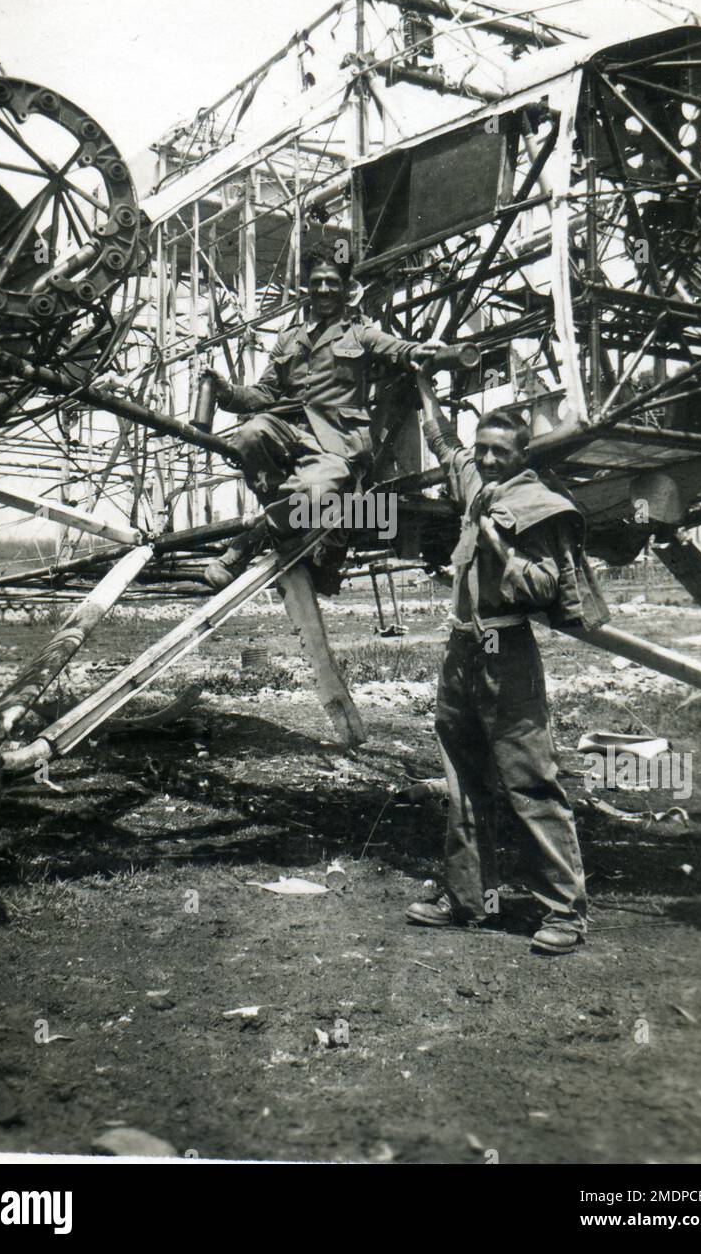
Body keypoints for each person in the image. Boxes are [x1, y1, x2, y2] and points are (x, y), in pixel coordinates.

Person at [406, 374, 588, 955]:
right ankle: (470, 900)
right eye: (481, 448)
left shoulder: (540, 504)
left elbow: (541, 586)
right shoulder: (475, 479)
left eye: (498, 452)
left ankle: (564, 913)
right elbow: (441, 441)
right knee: (462, 781)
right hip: (462, 648)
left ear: (522, 455)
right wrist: (421, 381)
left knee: (530, 782)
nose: (485, 458)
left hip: (505, 652)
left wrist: (492, 535)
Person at [199, 248, 436, 587]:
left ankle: (246, 545)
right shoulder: (288, 339)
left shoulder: (360, 332)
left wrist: (422, 351)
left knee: (311, 495)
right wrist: (226, 391)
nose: (324, 290)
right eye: (317, 282)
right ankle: (290, 526)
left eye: (332, 282)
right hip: (287, 431)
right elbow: (265, 393)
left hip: (335, 441)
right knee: (249, 435)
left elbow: (397, 348)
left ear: (345, 287)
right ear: (306, 287)